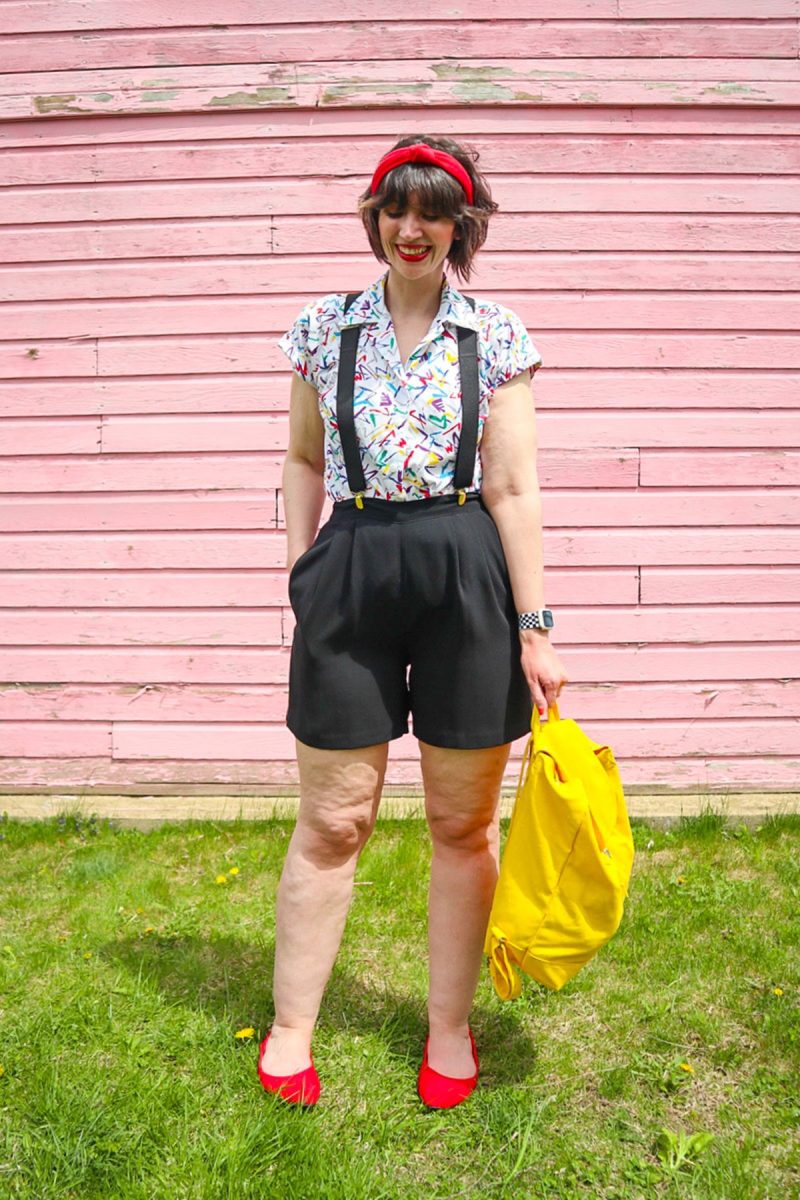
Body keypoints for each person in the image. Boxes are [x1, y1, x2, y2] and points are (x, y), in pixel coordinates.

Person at [258, 135, 569, 1108]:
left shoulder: (495, 335)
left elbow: (513, 488)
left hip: (462, 571)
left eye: (432, 212)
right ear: (375, 217)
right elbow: (303, 459)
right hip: (351, 568)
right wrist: (302, 574)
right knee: (334, 819)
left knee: (459, 822)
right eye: (396, 209)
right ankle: (291, 1027)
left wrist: (535, 626)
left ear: (458, 227)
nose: (411, 228)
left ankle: (447, 1027)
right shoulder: (323, 327)